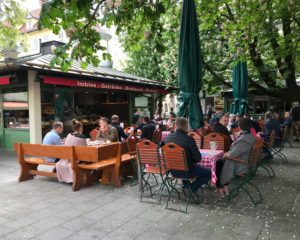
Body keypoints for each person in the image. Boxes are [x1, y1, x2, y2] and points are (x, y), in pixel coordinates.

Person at [163, 117, 211, 193]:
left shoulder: (167, 138)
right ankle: (192, 188)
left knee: (184, 165)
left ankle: (187, 186)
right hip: (187, 171)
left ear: (175, 125)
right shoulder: (189, 139)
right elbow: (198, 159)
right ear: (186, 126)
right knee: (209, 172)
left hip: (172, 170)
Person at [217, 118, 256, 195]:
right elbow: (236, 151)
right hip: (244, 161)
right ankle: (224, 186)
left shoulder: (244, 140)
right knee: (221, 161)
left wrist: (225, 155)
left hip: (241, 165)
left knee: (218, 163)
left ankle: (220, 186)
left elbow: (232, 155)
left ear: (240, 127)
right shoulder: (250, 136)